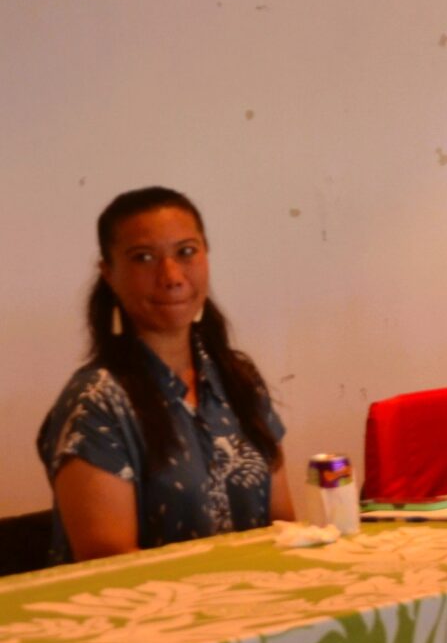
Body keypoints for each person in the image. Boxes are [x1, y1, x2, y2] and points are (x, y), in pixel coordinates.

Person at [40, 187, 295, 560]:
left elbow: (283, 525)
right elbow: (108, 564)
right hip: (150, 613)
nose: (171, 275)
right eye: (143, 258)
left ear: (206, 256)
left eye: (186, 252)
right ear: (108, 273)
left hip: (256, 607)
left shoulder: (238, 378)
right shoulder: (96, 401)